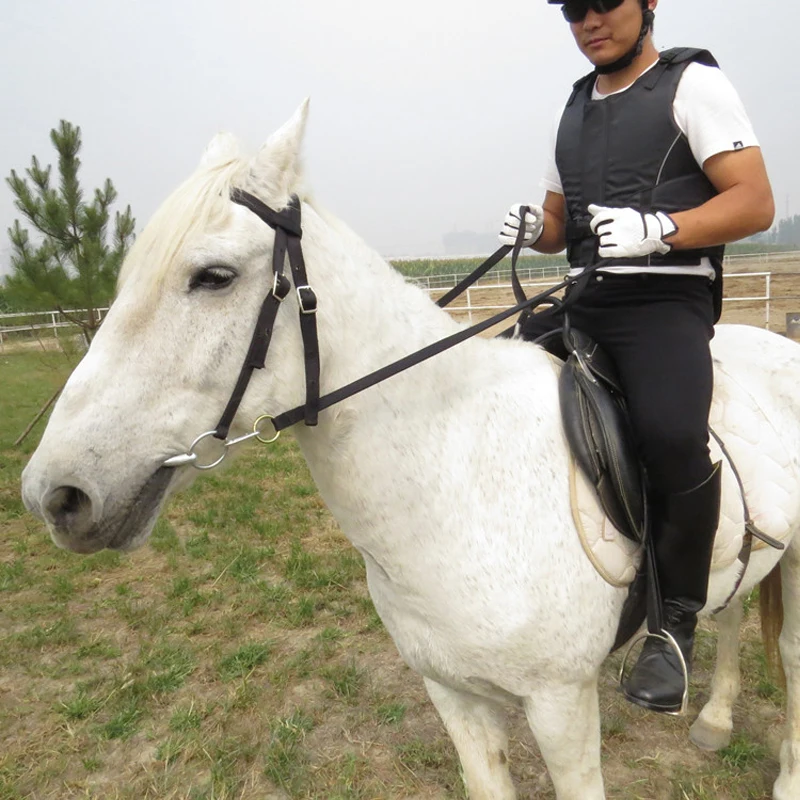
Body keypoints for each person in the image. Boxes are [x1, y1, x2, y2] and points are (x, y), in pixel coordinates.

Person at [499, 0, 774, 714]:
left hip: (664, 307)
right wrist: (537, 229)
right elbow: (563, 226)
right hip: (587, 300)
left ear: (649, 4)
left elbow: (754, 202)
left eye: (605, 3)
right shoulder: (572, 110)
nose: (589, 20)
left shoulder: (694, 85)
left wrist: (663, 227)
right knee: (493, 384)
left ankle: (673, 624)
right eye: (573, 10)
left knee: (670, 435)